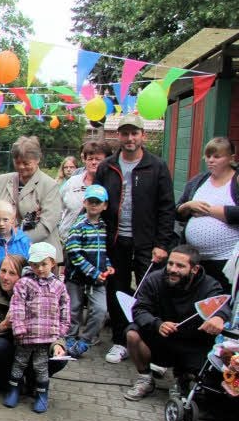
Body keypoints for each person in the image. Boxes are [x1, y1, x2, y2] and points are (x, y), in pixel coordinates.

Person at [95, 113, 176, 364]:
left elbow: (166, 207)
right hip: (116, 240)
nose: (130, 138)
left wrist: (162, 243)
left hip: (147, 242)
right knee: (116, 289)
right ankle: (120, 340)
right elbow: (96, 202)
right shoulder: (107, 166)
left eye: (134, 133)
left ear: (143, 135)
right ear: (118, 136)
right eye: (125, 133)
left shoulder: (157, 166)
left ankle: (150, 343)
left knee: (150, 291)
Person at [123, 244, 230, 401]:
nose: (173, 269)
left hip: (191, 342)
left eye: (180, 266)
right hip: (160, 337)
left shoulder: (209, 284)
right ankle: (145, 378)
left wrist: (219, 317)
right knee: (132, 333)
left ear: (194, 269)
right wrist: (157, 324)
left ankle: (182, 381)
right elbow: (139, 309)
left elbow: (223, 305)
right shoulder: (154, 279)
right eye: (170, 263)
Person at [0, 256, 70, 395]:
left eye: (12, 273)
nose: (5, 277)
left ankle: (33, 380)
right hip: (7, 349)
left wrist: (58, 345)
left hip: (34, 347)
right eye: (3, 271)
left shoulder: (43, 296)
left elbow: (56, 326)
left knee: (60, 357)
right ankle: (0, 378)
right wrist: (3, 326)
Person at [4, 243, 70, 413]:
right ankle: (14, 390)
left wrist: (61, 330)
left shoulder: (59, 287)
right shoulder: (24, 283)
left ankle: (42, 394)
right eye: (35, 265)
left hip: (46, 337)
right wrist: (18, 326)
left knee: (41, 367)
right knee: (19, 363)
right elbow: (17, 305)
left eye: (44, 264)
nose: (39, 268)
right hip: (26, 335)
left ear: (52, 263)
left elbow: (65, 308)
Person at [175, 137, 239, 291]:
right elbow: (177, 211)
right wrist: (189, 206)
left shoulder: (236, 181)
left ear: (231, 158)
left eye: (217, 157)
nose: (211, 160)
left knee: (220, 300)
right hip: (195, 259)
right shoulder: (199, 180)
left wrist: (209, 210)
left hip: (225, 259)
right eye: (208, 156)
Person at [64, 185, 113, 357]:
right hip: (76, 277)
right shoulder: (78, 225)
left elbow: (104, 252)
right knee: (73, 308)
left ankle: (85, 340)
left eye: (97, 202)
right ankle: (69, 337)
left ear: (104, 205)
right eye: (90, 201)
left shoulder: (104, 226)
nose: (93, 205)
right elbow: (73, 251)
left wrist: (107, 265)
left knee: (100, 310)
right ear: (84, 202)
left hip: (98, 279)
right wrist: (92, 272)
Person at [58, 140, 112, 244]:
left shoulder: (111, 185)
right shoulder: (72, 182)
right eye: (90, 159)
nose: (94, 162)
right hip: (66, 240)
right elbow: (57, 207)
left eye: (98, 159)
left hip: (97, 244)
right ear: (85, 160)